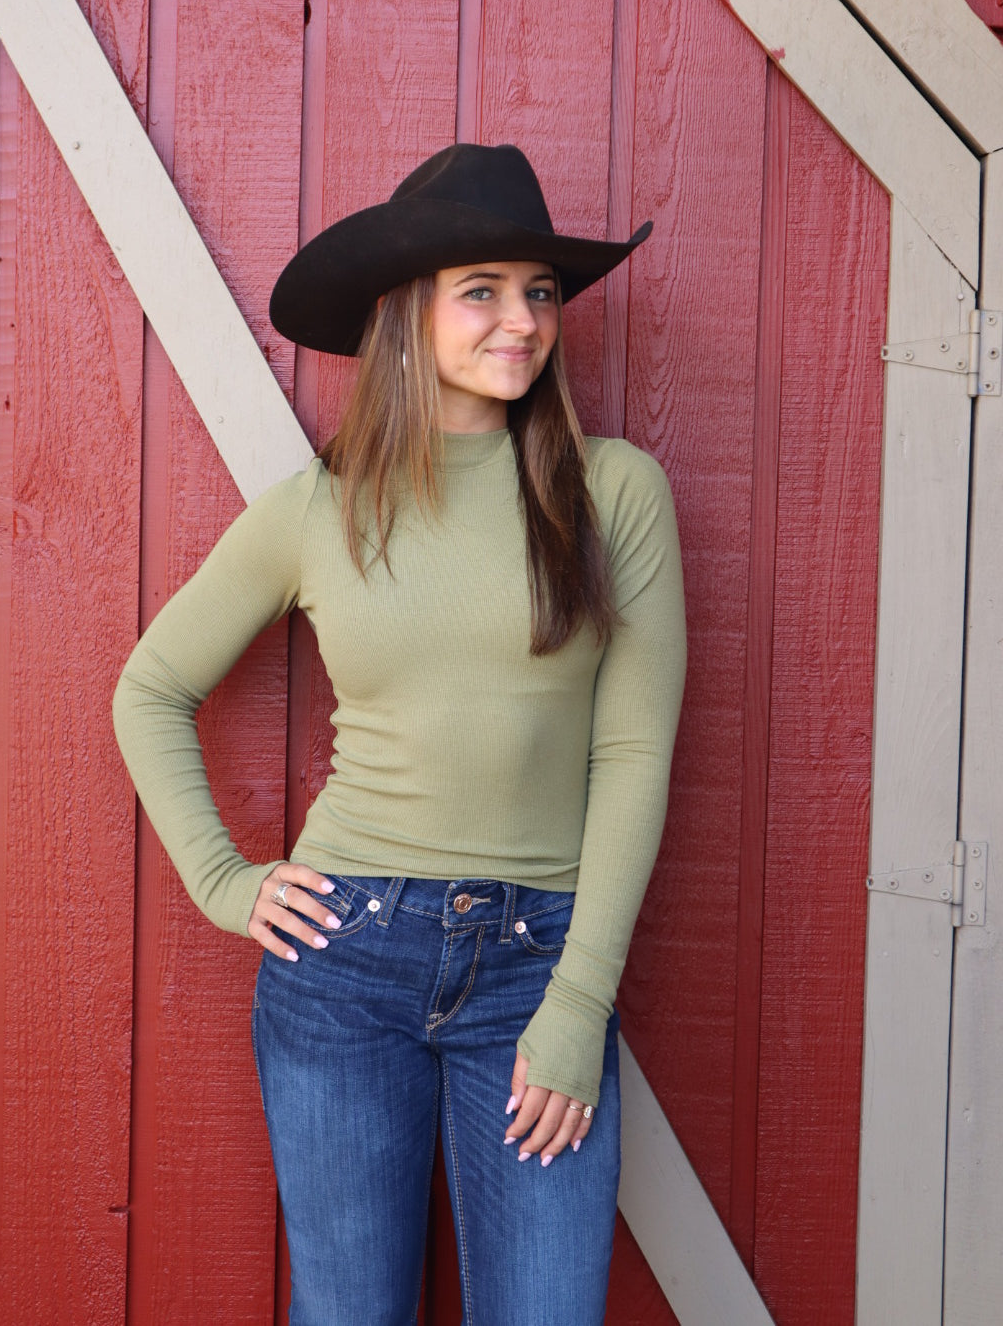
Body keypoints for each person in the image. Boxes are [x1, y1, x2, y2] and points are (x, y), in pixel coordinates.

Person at [112, 141, 687, 1326]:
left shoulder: (613, 490)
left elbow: (630, 756)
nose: (521, 320)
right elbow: (151, 687)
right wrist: (227, 882)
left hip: (539, 965)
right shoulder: (321, 508)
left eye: (538, 291)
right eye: (482, 289)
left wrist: (579, 1004)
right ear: (408, 313)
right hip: (343, 966)